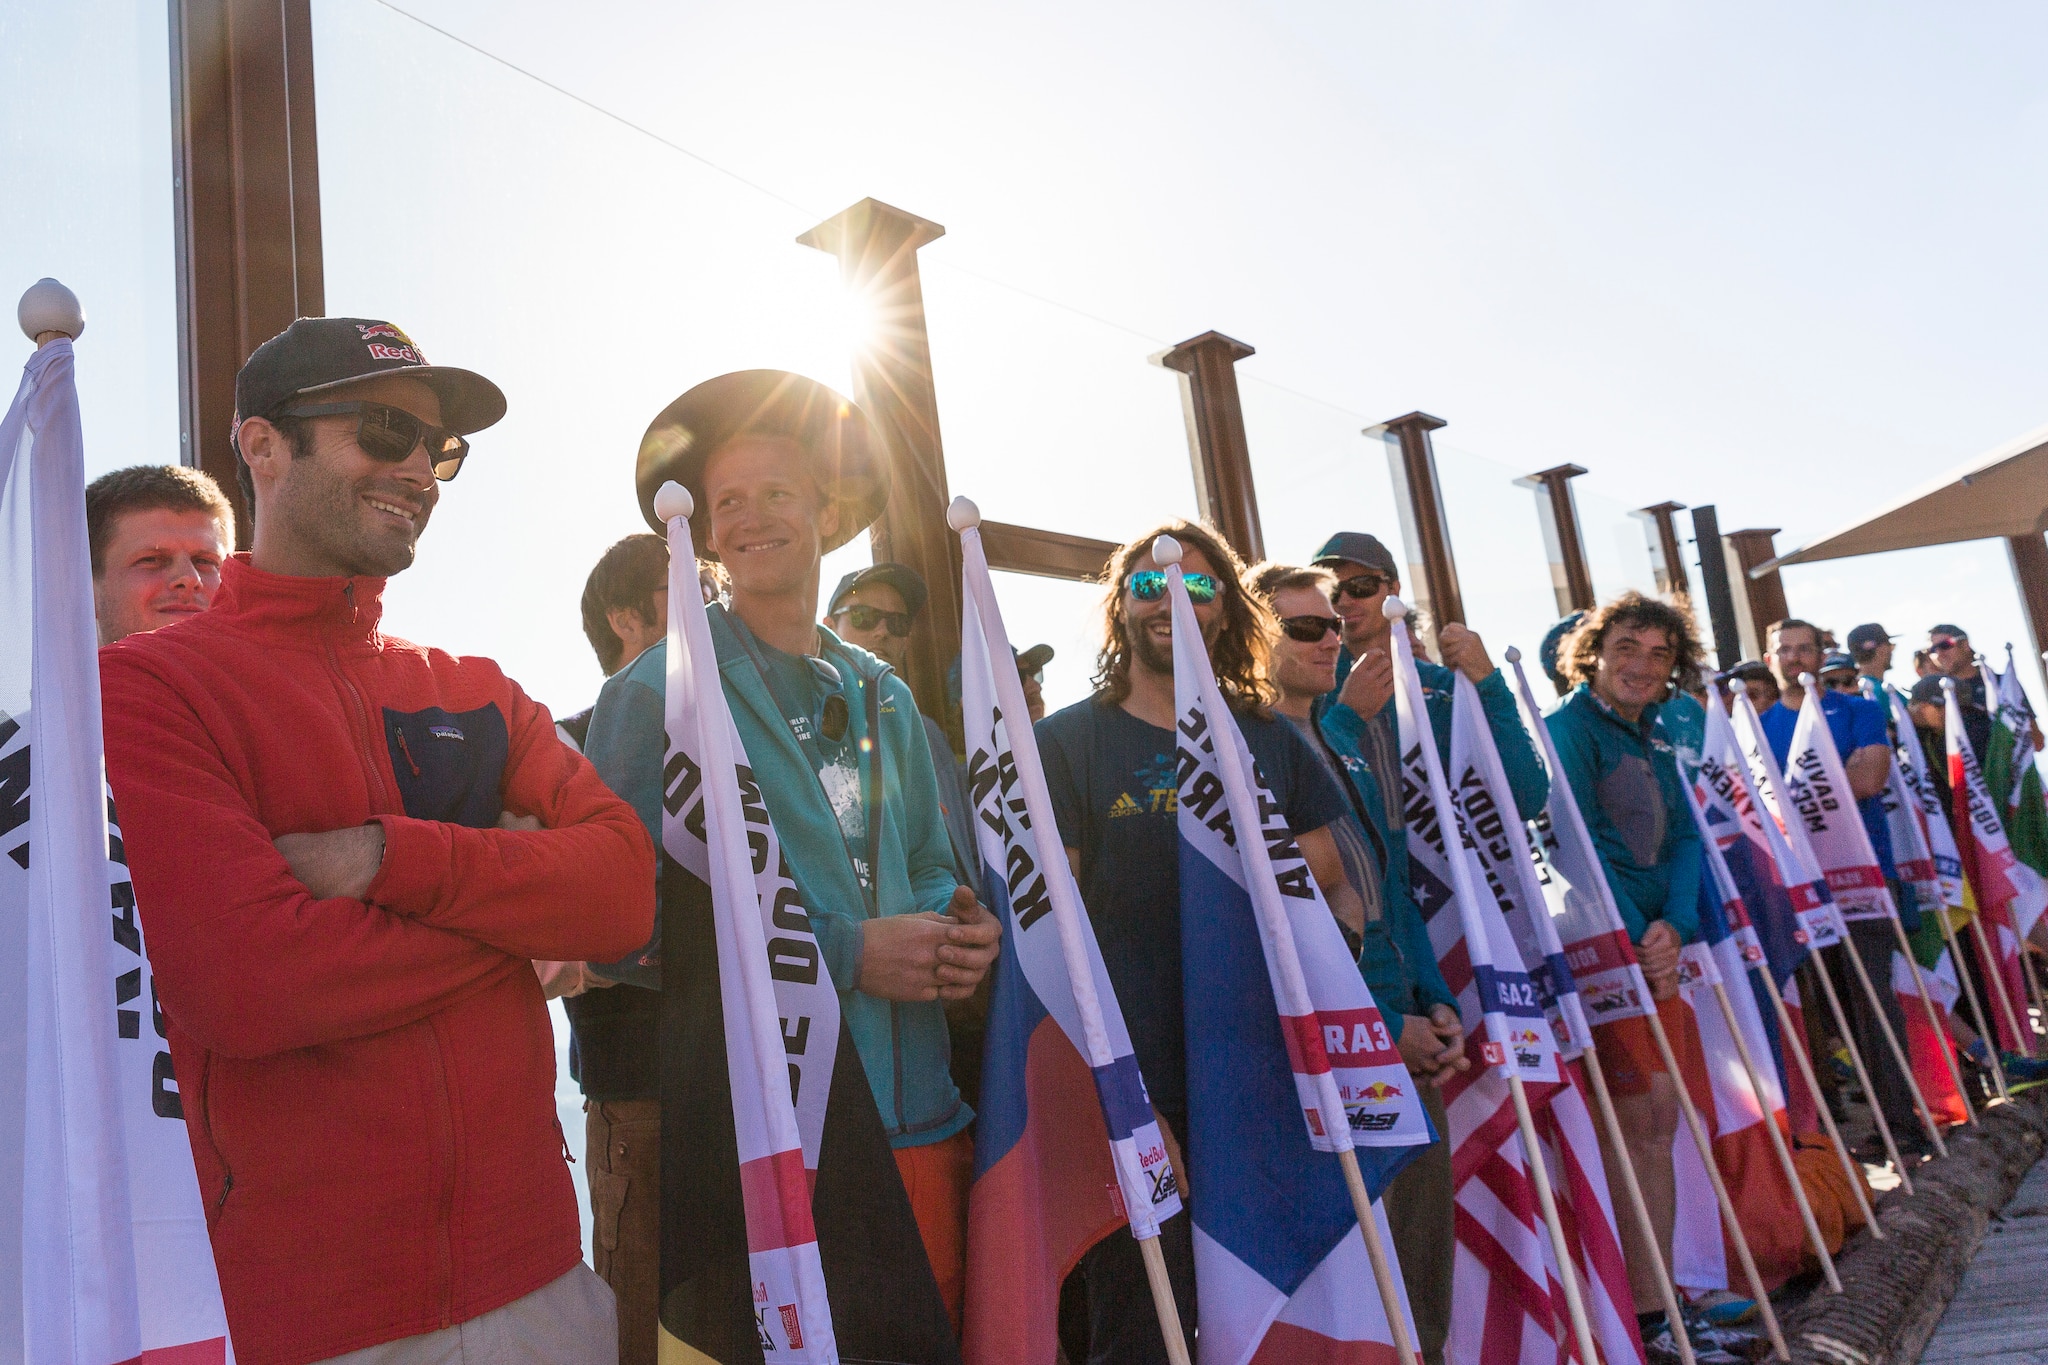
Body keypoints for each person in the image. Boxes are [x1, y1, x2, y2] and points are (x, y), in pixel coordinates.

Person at [100, 317, 656, 1364]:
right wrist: (514, 918)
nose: (420, 470)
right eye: (385, 431)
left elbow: (625, 895)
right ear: (263, 446)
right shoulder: (147, 685)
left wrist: (385, 859)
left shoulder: (475, 686)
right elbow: (252, 984)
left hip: (544, 1287)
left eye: (438, 449)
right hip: (311, 1321)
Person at [599, 369, 1000, 1330]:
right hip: (773, 1147)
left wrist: (959, 927)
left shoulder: (885, 693)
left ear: (827, 510)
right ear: (693, 529)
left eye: (777, 491)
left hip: (926, 1124)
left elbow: (929, 860)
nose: (750, 517)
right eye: (726, 500)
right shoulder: (657, 694)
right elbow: (626, 926)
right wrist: (850, 952)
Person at [1036, 522, 1358, 1364]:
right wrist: (1127, 1098)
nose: (1170, 598)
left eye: (1196, 585)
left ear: (1225, 612)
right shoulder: (1068, 741)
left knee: (1269, 1320)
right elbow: (1055, 926)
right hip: (1132, 1084)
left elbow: (1334, 884)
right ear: (1121, 608)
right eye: (1148, 584)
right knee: (1146, 1327)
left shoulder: (1267, 736)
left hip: (1259, 1081)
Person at [1250, 561, 1467, 1365]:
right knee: (1361, 1303)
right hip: (1339, 1057)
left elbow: (1392, 890)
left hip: (1404, 1041)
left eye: (1333, 624)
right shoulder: (1249, 750)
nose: (1330, 636)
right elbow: (1276, 939)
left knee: (1421, 1292)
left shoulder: (1333, 744)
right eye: (1304, 627)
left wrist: (1435, 998)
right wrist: (1385, 1029)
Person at [1544, 592, 1703, 1357]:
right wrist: (1642, 934)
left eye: (1659, 653)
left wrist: (1676, 924)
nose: (1641, 664)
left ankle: (1663, 1303)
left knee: (1660, 1124)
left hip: (1656, 951)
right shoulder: (1566, 732)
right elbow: (1579, 844)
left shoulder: (1656, 736)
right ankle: (1643, 1316)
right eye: (1628, 646)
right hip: (1606, 955)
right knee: (1640, 1124)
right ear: (1594, 649)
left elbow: (1686, 845)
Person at [549, 532, 673, 1365]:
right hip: (641, 1097)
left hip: (767, 1088)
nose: (717, 606)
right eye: (690, 585)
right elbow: (550, 929)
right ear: (626, 617)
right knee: (646, 1329)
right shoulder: (560, 750)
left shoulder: (754, 734)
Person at [1758, 618, 1926, 1158]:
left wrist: (1795, 789)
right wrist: (1835, 773)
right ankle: (1820, 1136)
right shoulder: (1755, 727)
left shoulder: (1858, 710)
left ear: (1820, 655)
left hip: (1859, 882)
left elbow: (1870, 779)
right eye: (1784, 651)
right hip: (1792, 892)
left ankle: (1899, 1124)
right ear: (1769, 659)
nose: (1795, 658)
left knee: (1873, 1005)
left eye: (1805, 649)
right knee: (1812, 1013)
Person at [1309, 531, 1549, 824]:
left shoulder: (1443, 687)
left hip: (1456, 867)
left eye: (1361, 586)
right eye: (1331, 591)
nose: (1344, 600)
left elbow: (1527, 798)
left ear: (1393, 589)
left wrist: (1490, 685)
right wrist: (1346, 717)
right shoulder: (1312, 690)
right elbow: (1304, 807)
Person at [825, 560, 977, 883]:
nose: (882, 631)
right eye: (862, 616)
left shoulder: (927, 733)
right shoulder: (811, 725)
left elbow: (960, 845)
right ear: (828, 627)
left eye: (897, 623)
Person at [85, 463, 234, 644]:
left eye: (204, 561)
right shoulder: (48, 671)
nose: (189, 578)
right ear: (87, 591)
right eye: (151, 560)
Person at [1849, 623, 1895, 690]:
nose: (1891, 651)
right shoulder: (1889, 692)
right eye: (1891, 646)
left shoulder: (1850, 691)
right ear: (1882, 650)